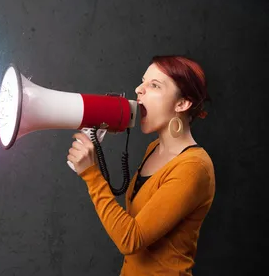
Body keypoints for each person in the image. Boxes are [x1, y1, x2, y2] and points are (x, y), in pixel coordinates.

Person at [66, 55, 215, 275]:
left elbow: (131, 240)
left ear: (182, 103)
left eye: (154, 85)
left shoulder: (193, 167)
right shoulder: (154, 149)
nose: (138, 90)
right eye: (142, 81)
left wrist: (91, 174)